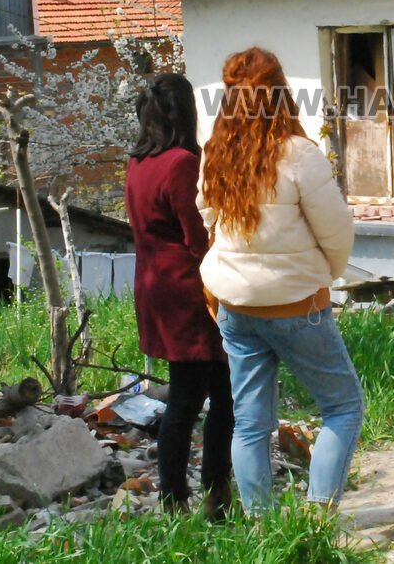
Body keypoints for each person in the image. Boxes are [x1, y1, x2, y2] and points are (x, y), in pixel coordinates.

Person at [198, 47, 363, 512]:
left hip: (234, 303)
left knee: (250, 424)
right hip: (295, 304)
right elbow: (336, 229)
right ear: (280, 92)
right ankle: (313, 520)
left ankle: (263, 530)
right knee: (343, 408)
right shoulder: (298, 154)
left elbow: (206, 215)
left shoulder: (216, 152)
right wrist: (324, 276)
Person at [124, 73, 234, 518]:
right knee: (218, 395)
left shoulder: (137, 161)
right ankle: (210, 495)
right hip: (188, 288)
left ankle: (177, 498)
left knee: (186, 395)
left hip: (153, 283)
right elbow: (197, 234)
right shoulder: (182, 162)